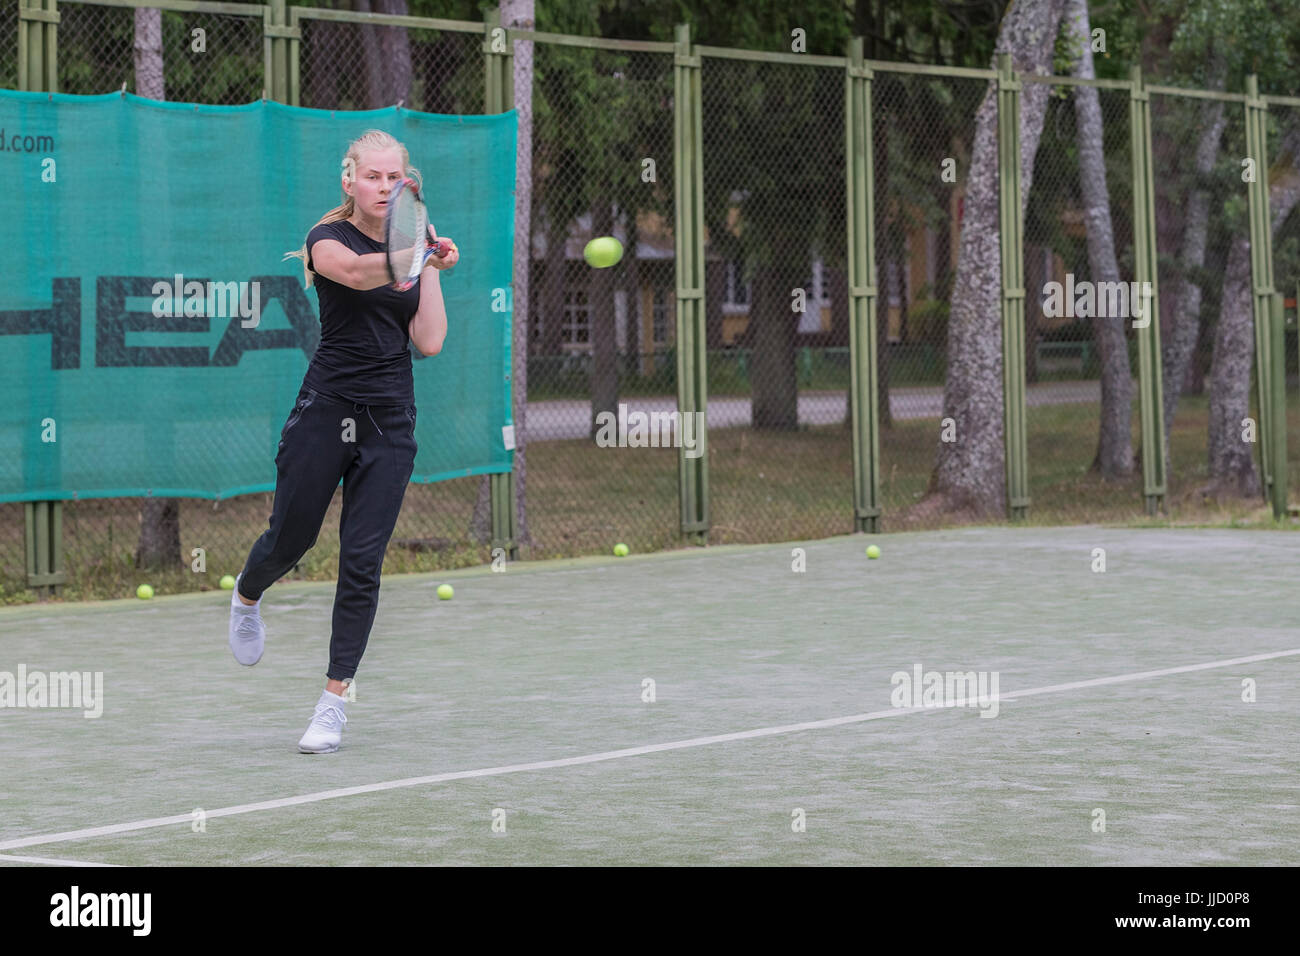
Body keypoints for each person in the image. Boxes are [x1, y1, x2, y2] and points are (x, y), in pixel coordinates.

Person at [228, 129, 459, 753]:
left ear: (406, 184)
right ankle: (248, 594)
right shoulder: (326, 241)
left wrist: (429, 265)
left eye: (395, 178)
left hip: (391, 422)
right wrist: (413, 250)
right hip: (326, 409)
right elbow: (357, 275)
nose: (385, 187)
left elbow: (430, 341)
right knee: (292, 537)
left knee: (362, 560)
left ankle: (333, 703)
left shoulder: (412, 242)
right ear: (349, 179)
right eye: (374, 177)